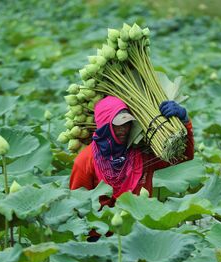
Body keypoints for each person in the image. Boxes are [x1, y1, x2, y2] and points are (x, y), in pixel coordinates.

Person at [70, 95, 194, 239]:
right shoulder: (85, 161)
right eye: (117, 124)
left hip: (141, 236)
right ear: (104, 125)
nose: (124, 129)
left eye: (127, 123)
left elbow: (184, 156)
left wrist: (185, 121)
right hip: (100, 241)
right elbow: (77, 208)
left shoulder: (141, 153)